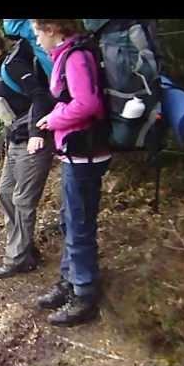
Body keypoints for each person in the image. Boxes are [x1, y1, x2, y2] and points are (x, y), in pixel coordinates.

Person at [31, 19, 111, 327]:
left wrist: (54, 120)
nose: (37, 40)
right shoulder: (66, 54)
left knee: (78, 223)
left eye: (38, 33)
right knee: (69, 220)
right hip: (76, 153)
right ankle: (69, 281)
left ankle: (84, 294)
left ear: (52, 28)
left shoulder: (76, 56)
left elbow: (87, 103)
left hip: (85, 154)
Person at [0, 19, 55, 279]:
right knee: (5, 194)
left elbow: (41, 96)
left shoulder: (13, 65)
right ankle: (25, 250)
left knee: (23, 200)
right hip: (17, 140)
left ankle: (17, 257)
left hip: (33, 140)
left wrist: (37, 133)